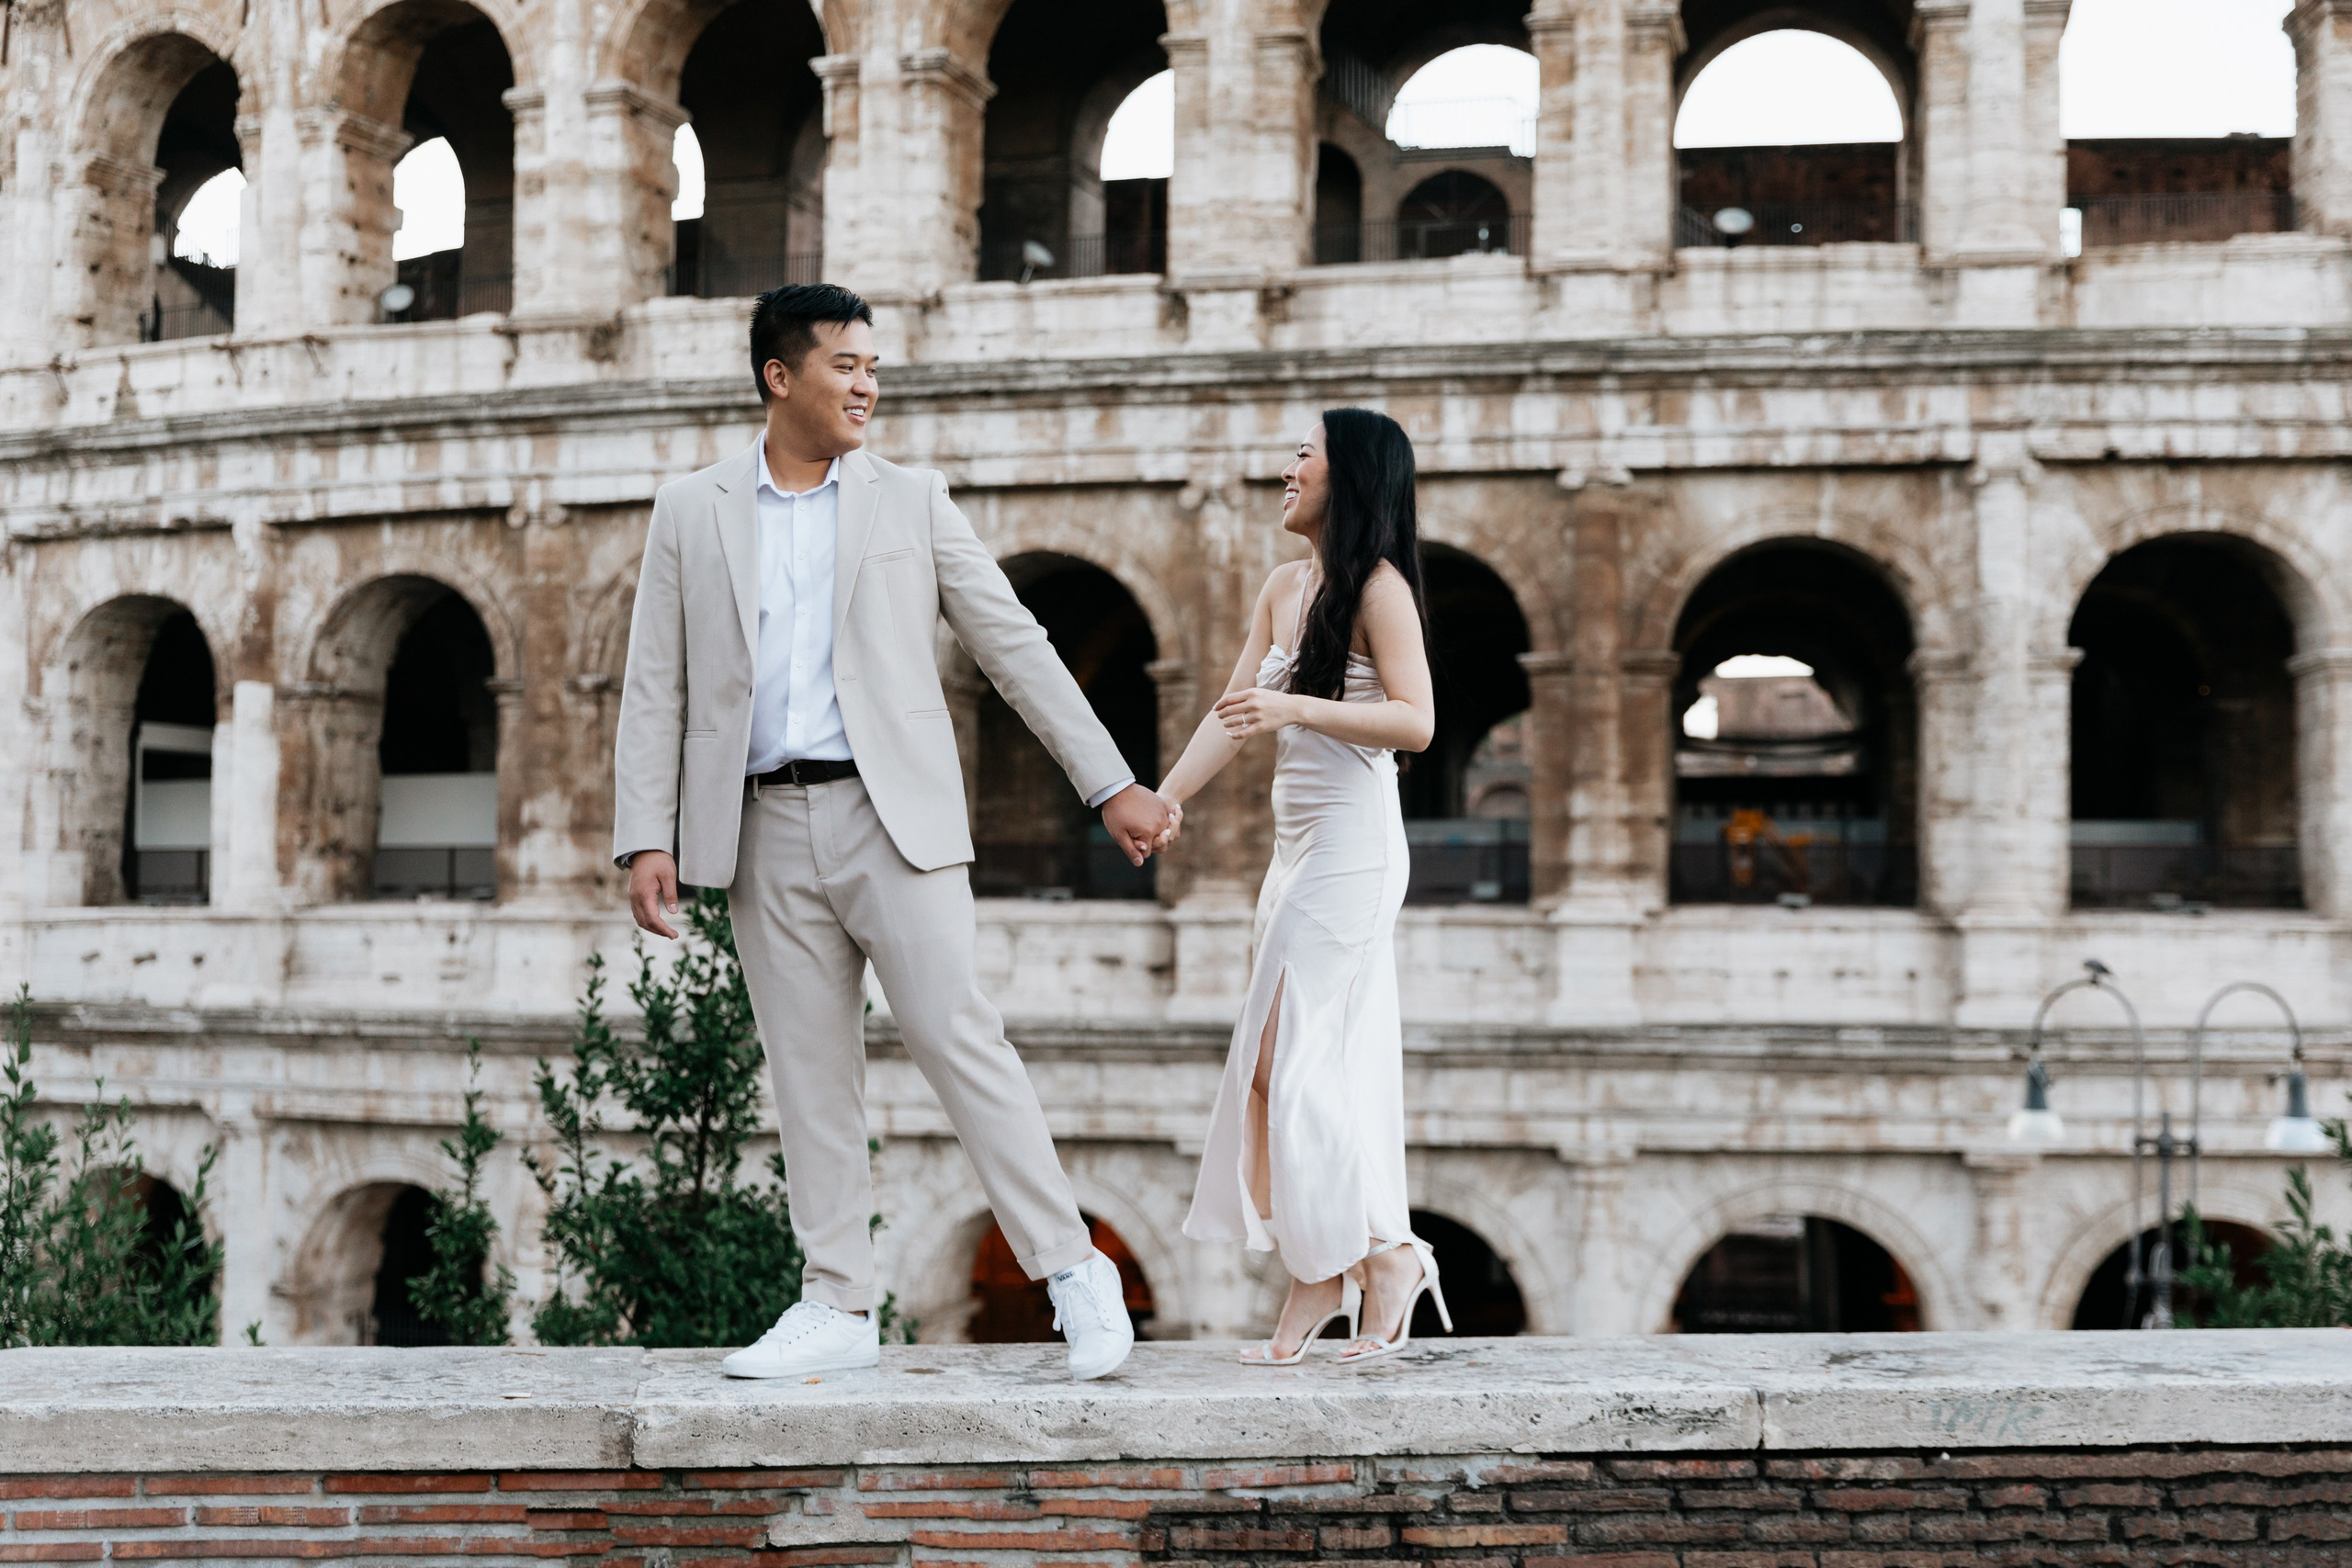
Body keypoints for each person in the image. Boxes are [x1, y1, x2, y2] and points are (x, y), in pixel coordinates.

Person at [611, 283, 1173, 1382]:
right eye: (845, 366)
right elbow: (655, 686)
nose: (867, 384)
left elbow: (1014, 645)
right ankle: (835, 1303)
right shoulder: (691, 509)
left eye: (874, 368)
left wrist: (1108, 783)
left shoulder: (912, 499)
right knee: (808, 1072)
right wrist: (647, 835)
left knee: (960, 1040)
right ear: (781, 378)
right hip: (761, 824)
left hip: (895, 816)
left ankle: (1071, 1272)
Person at [1158, 407, 1448, 1365]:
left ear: (1349, 477)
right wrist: (1163, 800)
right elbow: (1231, 712)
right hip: (1297, 853)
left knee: (1289, 1058)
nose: (1285, 471)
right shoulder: (1286, 586)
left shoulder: (1379, 589)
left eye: (1303, 456)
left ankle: (1345, 1263)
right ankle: (1367, 1257)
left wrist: (1291, 704)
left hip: (1356, 847)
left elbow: (1416, 724)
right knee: (1288, 1064)